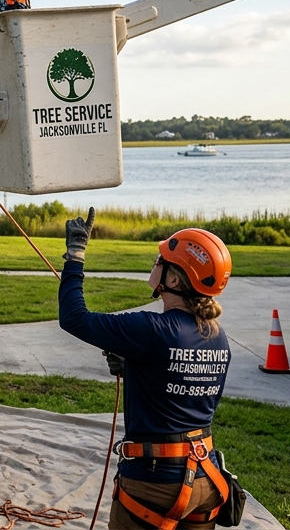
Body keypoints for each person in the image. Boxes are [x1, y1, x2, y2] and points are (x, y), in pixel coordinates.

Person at [57, 209, 234, 530]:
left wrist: (75, 256)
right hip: (206, 479)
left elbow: (74, 318)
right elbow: (180, 384)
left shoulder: (150, 328)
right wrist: (135, 365)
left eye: (159, 262)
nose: (154, 264)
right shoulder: (217, 335)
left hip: (154, 482)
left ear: (174, 279)